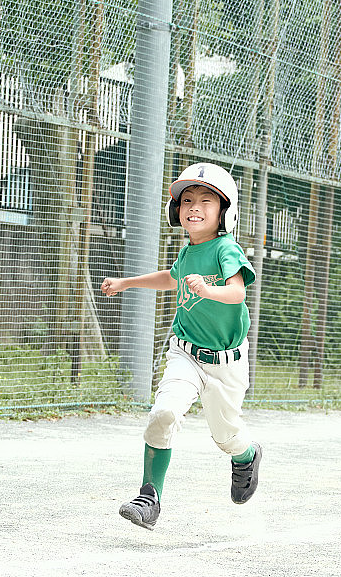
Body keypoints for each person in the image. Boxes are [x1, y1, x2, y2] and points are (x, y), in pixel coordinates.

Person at [101, 162, 261, 530]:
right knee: (163, 414)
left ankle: (247, 455)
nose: (194, 206)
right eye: (187, 199)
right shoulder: (189, 251)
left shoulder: (226, 249)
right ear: (176, 211)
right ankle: (149, 496)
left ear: (225, 211)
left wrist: (208, 289)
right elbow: (170, 278)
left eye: (207, 200)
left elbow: (237, 292)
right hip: (186, 353)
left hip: (226, 363)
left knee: (228, 436)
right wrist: (127, 283)